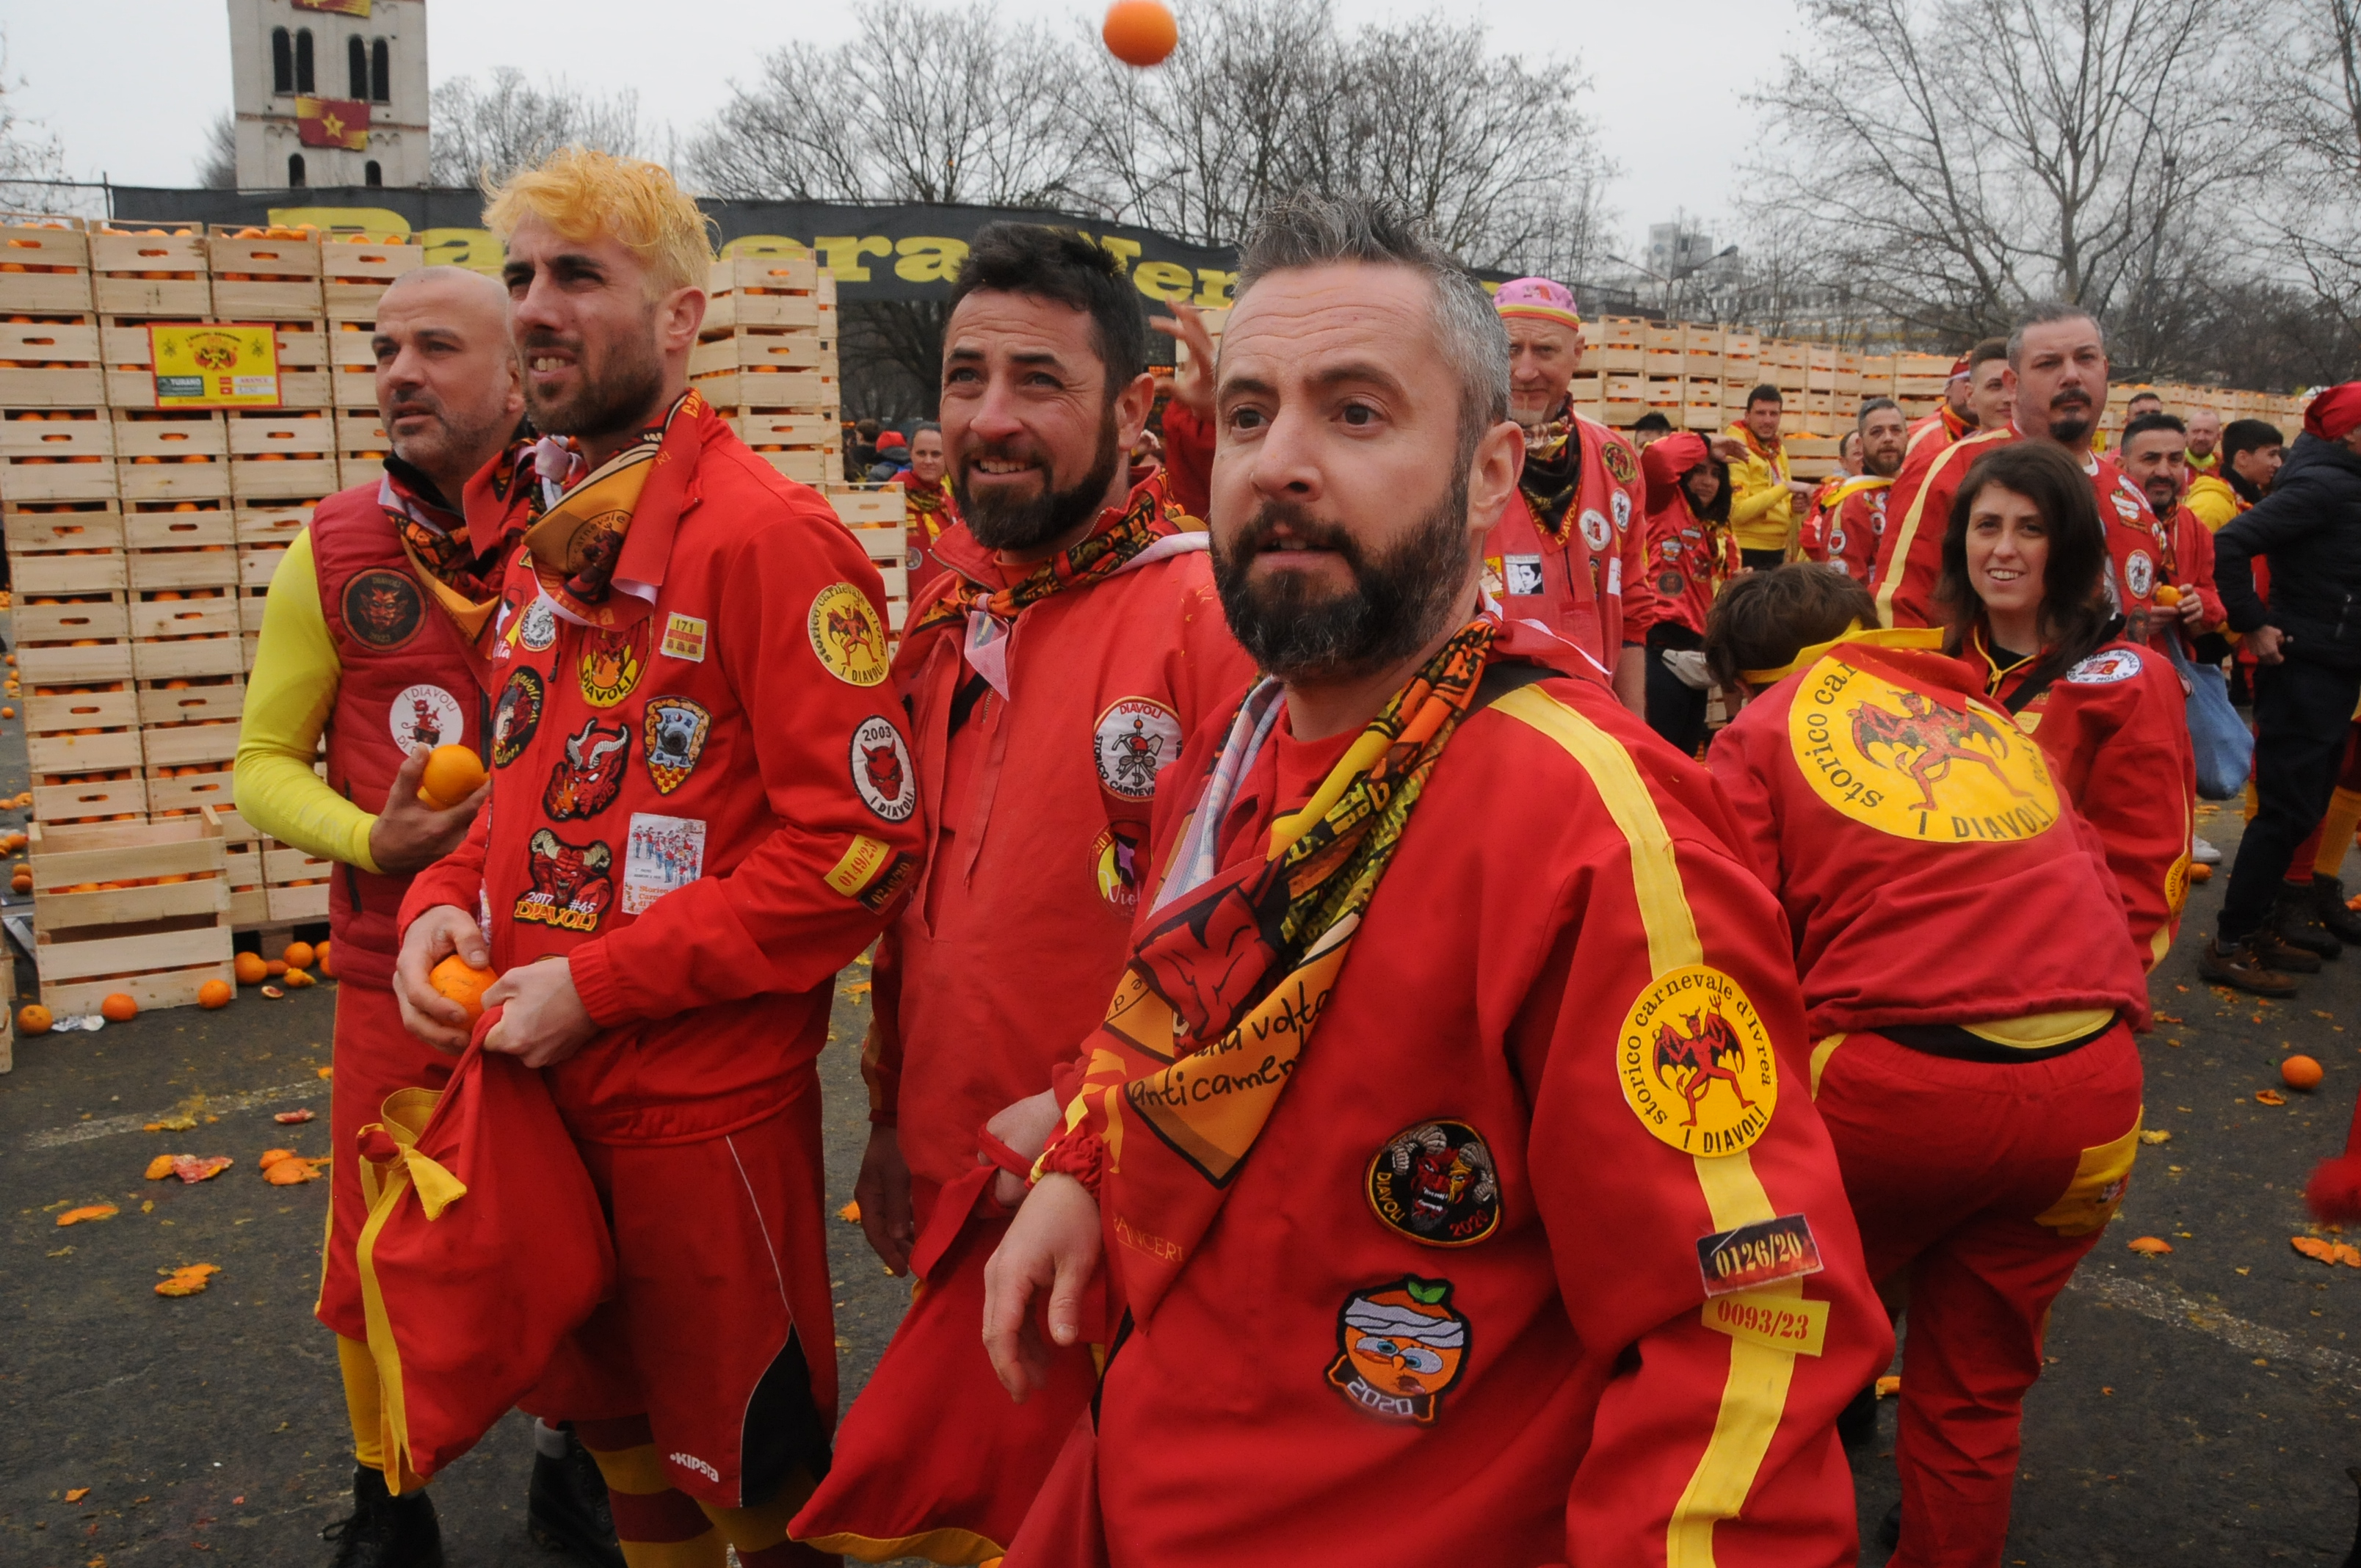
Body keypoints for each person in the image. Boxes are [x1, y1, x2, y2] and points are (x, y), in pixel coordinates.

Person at [979, 191, 1888, 1566]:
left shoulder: (1597, 834)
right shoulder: (1233, 748)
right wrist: (1078, 1160)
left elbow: (1746, 1332)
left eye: (1355, 413)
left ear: (1486, 474)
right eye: (1248, 414)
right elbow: (1169, 1001)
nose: (1279, 464)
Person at [390, 149, 924, 1568]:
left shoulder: (767, 539)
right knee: (620, 1451)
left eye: (579, 275)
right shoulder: (547, 542)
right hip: (537, 1098)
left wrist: (599, 988)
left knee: (752, 1484)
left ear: (681, 316)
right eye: (520, 276)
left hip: (699, 1125)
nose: (534, 306)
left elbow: (862, 849)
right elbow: (515, 792)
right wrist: (439, 906)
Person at [790, 226, 1254, 1564]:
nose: (990, 418)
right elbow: (915, 901)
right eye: (965, 377)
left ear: (1133, 408)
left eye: (1039, 381)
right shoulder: (949, 607)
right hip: (956, 1177)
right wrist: (888, 1117)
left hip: (1125, 1204)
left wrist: (1093, 1131)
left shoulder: (1210, 617)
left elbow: (1262, 946)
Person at [233, 266, 596, 1568]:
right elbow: (260, 764)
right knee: (375, 1236)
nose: (398, 373)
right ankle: (389, 1494)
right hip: (397, 966)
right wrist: (369, 840)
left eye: (436, 348)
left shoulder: (595, 530)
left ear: (521, 377)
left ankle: (575, 1464)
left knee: (578, 1227)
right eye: (384, 349)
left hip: (569, 958)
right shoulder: (332, 548)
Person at [1702, 562, 2150, 1568]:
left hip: (1898, 1087)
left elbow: (1728, 935)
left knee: (1766, 1344)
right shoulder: (1994, 724)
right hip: (2093, 1088)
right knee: (1976, 1394)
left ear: (1739, 680)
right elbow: (2097, 884)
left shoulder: (1761, 733)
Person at [1937, 442, 2196, 975]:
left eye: (2032, 529)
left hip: (2051, 978)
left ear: (2072, 545)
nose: (2003, 549)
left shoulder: (2132, 683)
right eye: (1987, 526)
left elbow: (2145, 880)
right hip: (1931, 961)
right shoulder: (1929, 668)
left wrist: (2085, 990)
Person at [2202, 384, 2361, 994]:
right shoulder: (2323, 486)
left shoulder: (2343, 482)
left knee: (2304, 808)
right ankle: (2230, 944)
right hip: (2303, 670)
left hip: (2334, 665)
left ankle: (2261, 926)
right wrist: (2252, 622)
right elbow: (2229, 544)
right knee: (2282, 814)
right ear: (2351, 434)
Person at [1871, 304, 2156, 636]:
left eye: (2085, 358)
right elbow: (1897, 617)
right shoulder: (1949, 473)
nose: (2071, 375)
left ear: (2105, 370)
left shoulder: (2128, 492)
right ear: (2012, 383)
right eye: (2048, 363)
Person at [1485, 276, 1653, 710]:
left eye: (1545, 351)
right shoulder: (1454, 455)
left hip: (1596, 720)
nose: (1525, 372)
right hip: (1488, 720)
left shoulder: (1616, 459)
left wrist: (1634, 732)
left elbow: (1633, 611)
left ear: (1577, 353)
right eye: (1510, 350)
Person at [1639, 430, 1738, 755]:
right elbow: (1657, 459)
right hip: (1658, 650)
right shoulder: (1664, 503)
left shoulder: (1720, 531)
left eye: (1716, 474)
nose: (1707, 481)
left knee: (1685, 757)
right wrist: (1705, 443)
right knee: (1658, 757)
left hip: (1699, 657)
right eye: (1698, 471)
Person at [2116, 413, 2224, 650]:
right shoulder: (2099, 521)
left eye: (2175, 460)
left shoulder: (2192, 526)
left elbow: (2213, 599)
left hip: (2172, 663)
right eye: (2151, 459)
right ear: (2122, 467)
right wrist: (2129, 619)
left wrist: (2199, 604)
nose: (2164, 472)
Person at [1813, 399, 1908, 587]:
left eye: (1896, 430)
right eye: (1877, 432)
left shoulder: (1921, 490)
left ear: (1908, 437)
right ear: (1860, 443)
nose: (1888, 438)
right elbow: (1845, 586)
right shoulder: (1851, 502)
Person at [1726, 383, 1816, 570]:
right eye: (1761, 413)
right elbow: (1737, 512)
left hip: (1777, 549)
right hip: (1746, 549)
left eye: (1774, 414)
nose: (1768, 420)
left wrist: (1794, 506)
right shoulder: (1736, 449)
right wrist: (1786, 488)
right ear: (1747, 416)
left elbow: (1784, 501)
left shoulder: (1777, 450)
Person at [1906, 338, 2012, 460]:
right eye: (1994, 386)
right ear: (1947, 390)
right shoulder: (1923, 436)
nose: (2008, 398)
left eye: (2014, 384)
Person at [2186, 418, 2285, 530]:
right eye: (2272, 455)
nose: (2278, 463)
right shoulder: (2211, 507)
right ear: (2242, 458)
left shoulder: (2248, 498)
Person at [894, 421, 951, 598]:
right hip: (906, 605)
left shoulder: (952, 501)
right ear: (910, 454)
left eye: (936, 454)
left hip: (946, 603)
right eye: (921, 453)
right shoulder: (891, 497)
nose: (928, 461)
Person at [2186, 406, 2222, 474]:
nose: (2201, 438)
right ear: (2186, 434)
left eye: (2207, 432)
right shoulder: (2173, 465)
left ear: (2218, 437)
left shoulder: (2225, 469)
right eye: (2196, 431)